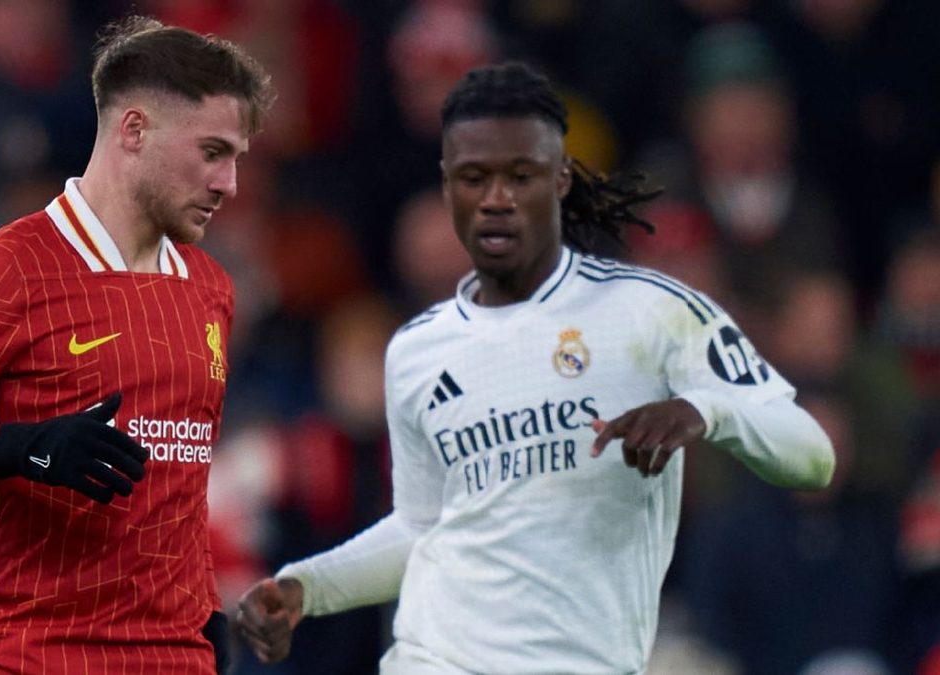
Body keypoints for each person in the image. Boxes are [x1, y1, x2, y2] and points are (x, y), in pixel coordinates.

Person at [236, 62, 835, 674]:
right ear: (448, 187)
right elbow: (421, 529)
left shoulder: (651, 311)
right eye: (474, 178)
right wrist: (307, 587)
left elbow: (812, 455)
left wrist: (705, 410)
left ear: (561, 179)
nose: (496, 200)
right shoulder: (417, 350)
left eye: (520, 176)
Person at [0, 15, 273, 674]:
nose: (229, 184)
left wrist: (205, 615)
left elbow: (181, 487)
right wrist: (22, 447)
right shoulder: (5, 270)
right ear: (134, 130)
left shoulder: (210, 286)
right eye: (212, 152)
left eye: (237, 159)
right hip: (39, 653)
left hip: (176, 658)